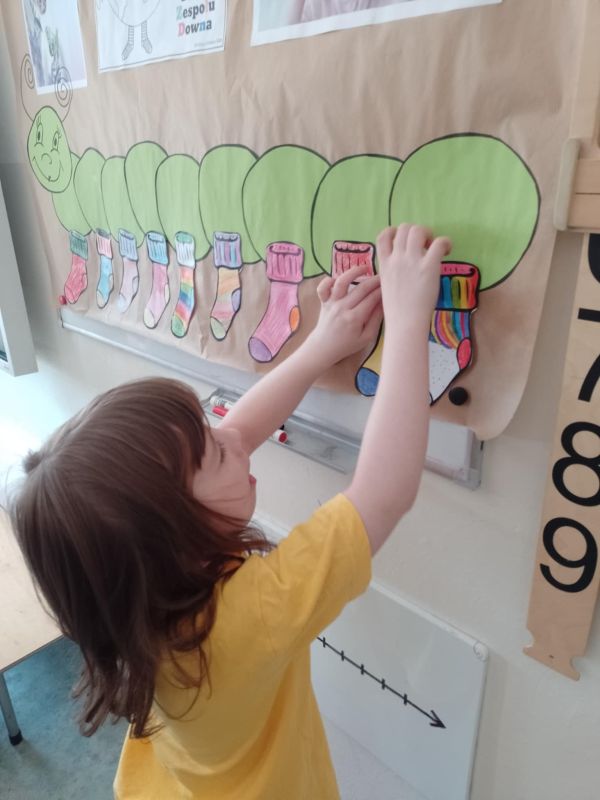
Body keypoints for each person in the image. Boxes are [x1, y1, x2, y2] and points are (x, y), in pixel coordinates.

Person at [9, 224, 451, 800]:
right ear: (178, 533)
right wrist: (410, 319)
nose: (235, 436)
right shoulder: (250, 614)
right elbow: (384, 492)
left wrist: (322, 345)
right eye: (214, 451)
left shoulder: (132, 601)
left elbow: (234, 435)